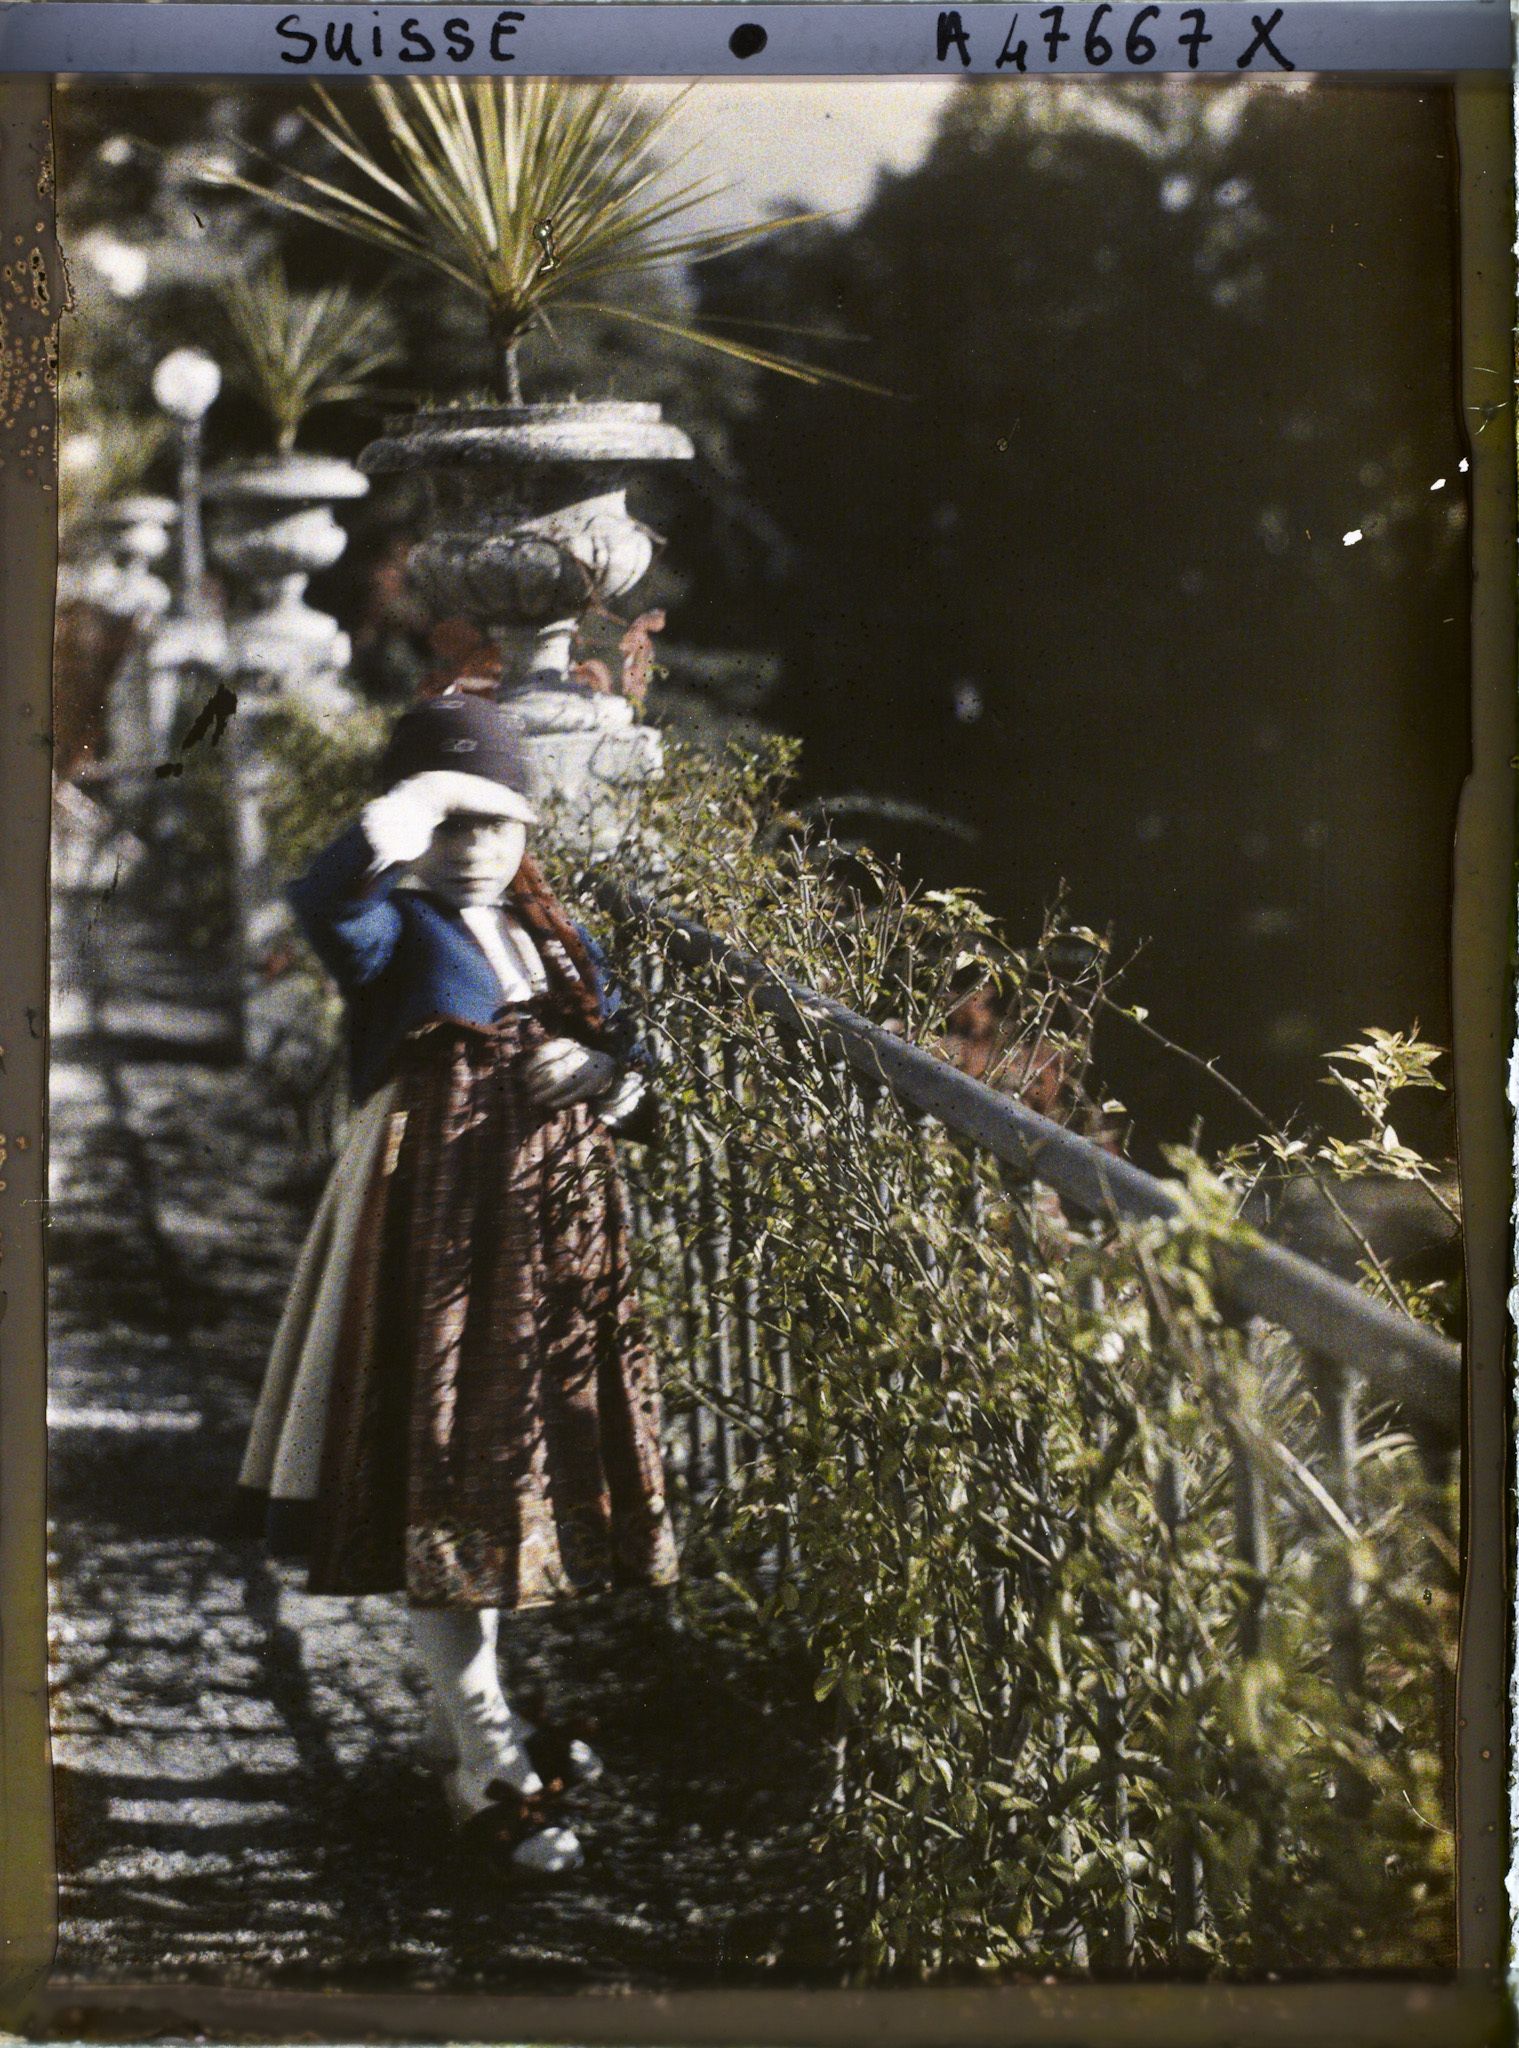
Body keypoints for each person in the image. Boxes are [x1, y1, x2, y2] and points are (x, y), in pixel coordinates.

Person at [236, 692, 678, 1874]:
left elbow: (635, 1058)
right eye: (451, 820)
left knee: (512, 1468)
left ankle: (481, 1731)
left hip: (544, 1231)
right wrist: (402, 809)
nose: (475, 844)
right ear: (414, 824)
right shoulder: (395, 927)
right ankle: (484, 1750)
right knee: (445, 1467)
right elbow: (325, 902)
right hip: (431, 1223)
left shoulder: (551, 930)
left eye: (497, 819)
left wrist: (604, 1070)